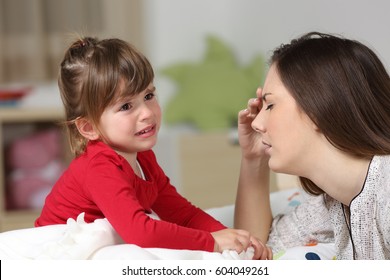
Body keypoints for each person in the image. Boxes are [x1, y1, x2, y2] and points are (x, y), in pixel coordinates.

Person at [35, 36, 272, 259]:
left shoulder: (143, 159)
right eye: (126, 106)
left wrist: (236, 239)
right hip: (53, 252)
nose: (147, 113)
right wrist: (213, 242)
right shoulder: (99, 166)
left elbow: (182, 214)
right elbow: (141, 232)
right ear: (88, 127)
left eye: (148, 95)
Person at [234, 31, 390, 259]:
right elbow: (256, 249)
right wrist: (253, 157)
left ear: (317, 107)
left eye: (269, 105)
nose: (256, 122)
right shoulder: (335, 203)